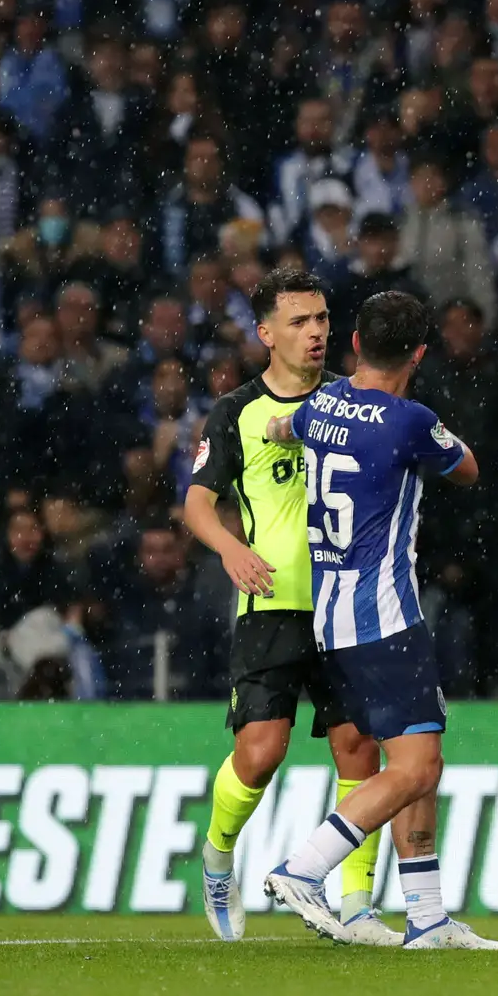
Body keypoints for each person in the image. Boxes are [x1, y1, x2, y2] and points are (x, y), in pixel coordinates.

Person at [261, 290, 498, 952]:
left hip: (331, 616)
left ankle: (426, 918)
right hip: (384, 615)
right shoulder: (410, 420)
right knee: (417, 768)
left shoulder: (322, 405)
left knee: (419, 757)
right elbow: (469, 469)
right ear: (421, 353)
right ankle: (302, 867)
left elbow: (288, 427)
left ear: (356, 343)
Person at [182, 268, 391, 945]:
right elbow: (195, 503)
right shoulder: (235, 411)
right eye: (300, 322)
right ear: (265, 333)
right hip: (272, 601)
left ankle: (358, 905)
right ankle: (218, 856)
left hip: (347, 602)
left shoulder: (353, 401)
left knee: (357, 749)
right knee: (261, 752)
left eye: (324, 320)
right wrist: (228, 550)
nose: (316, 333)